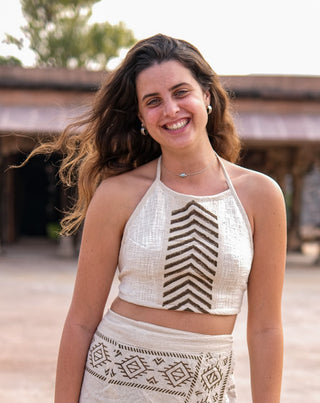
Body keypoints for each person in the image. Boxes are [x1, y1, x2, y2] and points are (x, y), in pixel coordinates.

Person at [51, 34, 286, 402]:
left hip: (205, 389)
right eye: (153, 101)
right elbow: (81, 321)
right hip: (114, 385)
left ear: (206, 96)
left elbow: (266, 328)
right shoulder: (118, 195)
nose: (171, 110)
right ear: (142, 117)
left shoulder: (261, 196)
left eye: (181, 92)